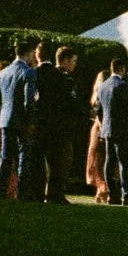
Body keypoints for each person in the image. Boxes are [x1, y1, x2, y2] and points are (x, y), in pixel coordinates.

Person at [0, 40, 40, 199]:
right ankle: (22, 193)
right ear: (28, 53)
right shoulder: (29, 72)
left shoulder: (3, 72)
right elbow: (29, 101)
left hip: (6, 119)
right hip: (21, 120)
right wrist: (31, 121)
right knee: (23, 158)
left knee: (5, 157)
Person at [37, 45, 81, 201]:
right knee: (62, 162)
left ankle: (48, 192)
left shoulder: (45, 75)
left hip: (47, 126)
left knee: (49, 162)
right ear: (65, 61)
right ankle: (56, 193)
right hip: (62, 127)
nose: (74, 65)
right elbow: (71, 104)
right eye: (73, 61)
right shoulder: (64, 78)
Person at [92, 56, 128, 205]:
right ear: (122, 69)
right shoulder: (122, 85)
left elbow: (98, 109)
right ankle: (126, 193)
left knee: (109, 161)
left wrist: (104, 124)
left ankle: (112, 193)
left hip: (107, 128)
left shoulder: (102, 86)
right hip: (121, 128)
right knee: (123, 162)